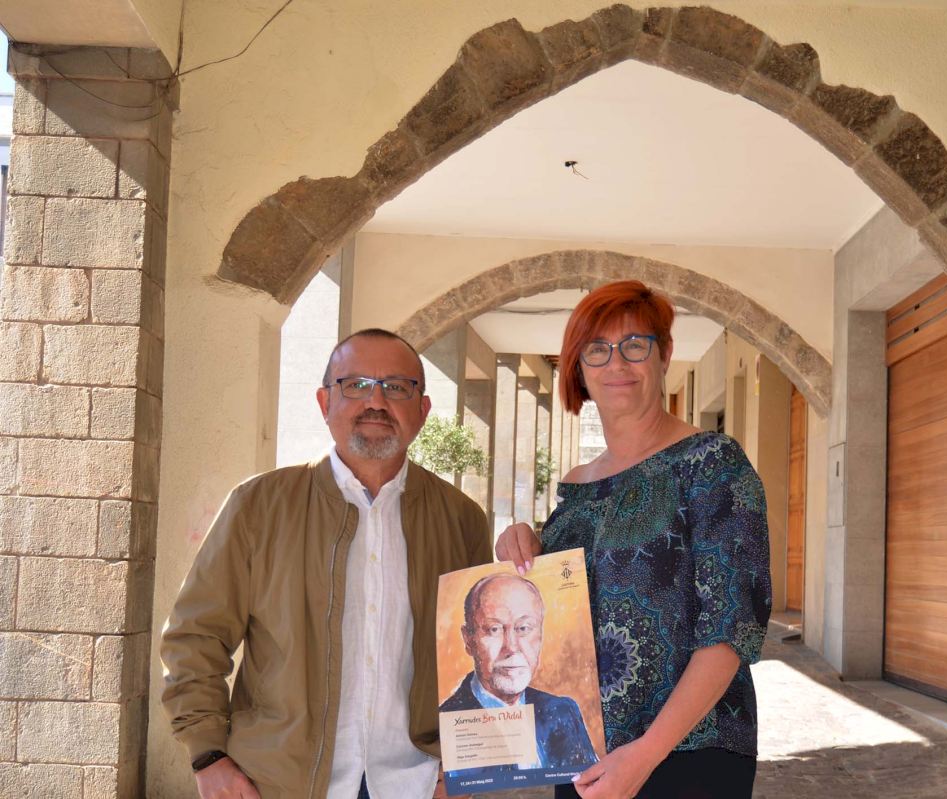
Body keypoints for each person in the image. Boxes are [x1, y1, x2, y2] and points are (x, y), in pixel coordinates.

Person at [161, 328, 492, 799]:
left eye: (397, 387)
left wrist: (463, 765)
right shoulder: (259, 506)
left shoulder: (460, 519)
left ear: (422, 410)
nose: (375, 401)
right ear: (324, 402)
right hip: (280, 783)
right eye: (355, 385)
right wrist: (208, 754)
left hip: (417, 783)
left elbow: (475, 658)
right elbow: (196, 636)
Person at [496, 281, 771, 799]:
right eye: (597, 349)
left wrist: (646, 753)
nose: (616, 363)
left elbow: (731, 629)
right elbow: (557, 614)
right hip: (582, 750)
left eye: (635, 345)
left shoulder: (712, 465)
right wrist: (525, 545)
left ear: (664, 354)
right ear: (579, 367)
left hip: (690, 752)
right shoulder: (577, 488)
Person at [440, 573, 598, 771]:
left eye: (523, 628)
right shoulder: (447, 722)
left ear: (540, 634)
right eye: (494, 629)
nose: (511, 647)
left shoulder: (563, 711)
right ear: (468, 640)